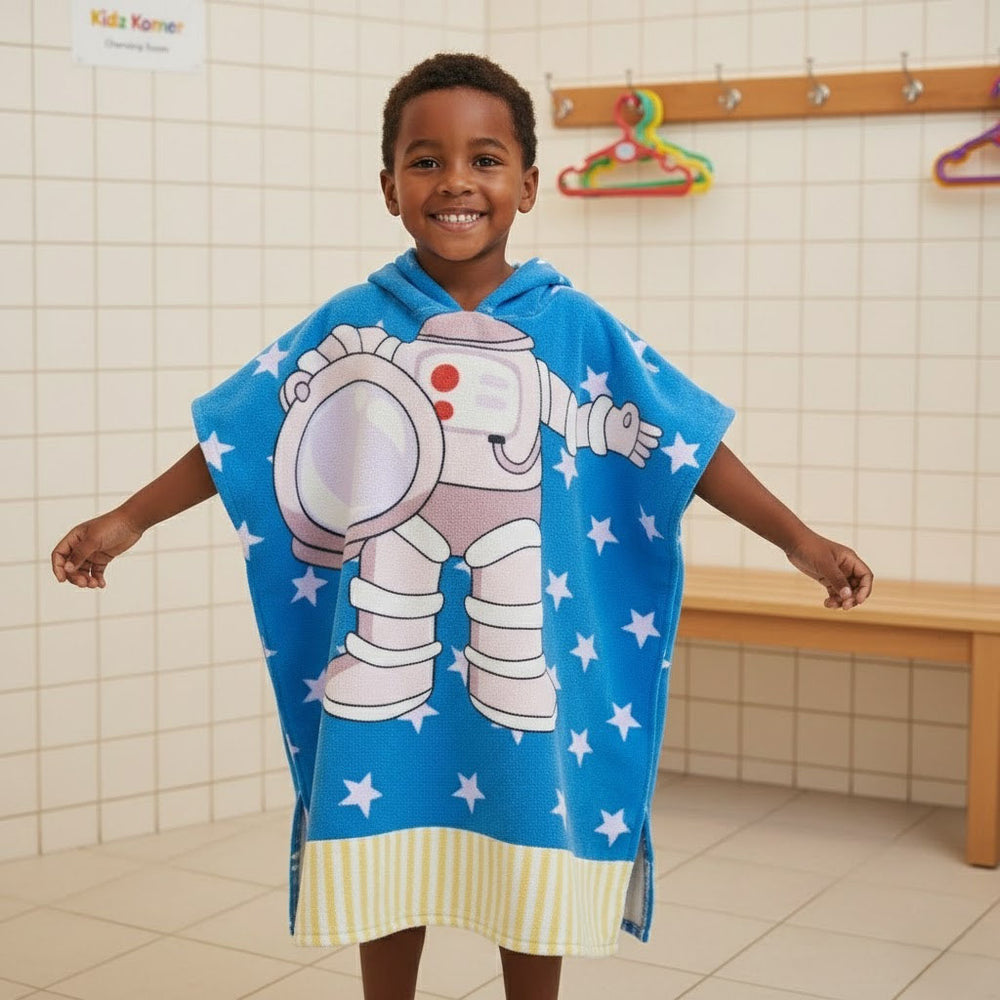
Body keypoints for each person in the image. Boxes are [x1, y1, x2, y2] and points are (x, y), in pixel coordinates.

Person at [51, 53, 872, 1000]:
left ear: (526, 183)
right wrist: (129, 520)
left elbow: (680, 445)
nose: (455, 183)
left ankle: (511, 674)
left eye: (484, 160)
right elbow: (248, 435)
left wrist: (798, 540)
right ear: (389, 184)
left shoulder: (572, 326)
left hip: (519, 625)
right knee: (382, 834)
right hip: (395, 640)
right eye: (425, 159)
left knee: (528, 836)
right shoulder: (357, 321)